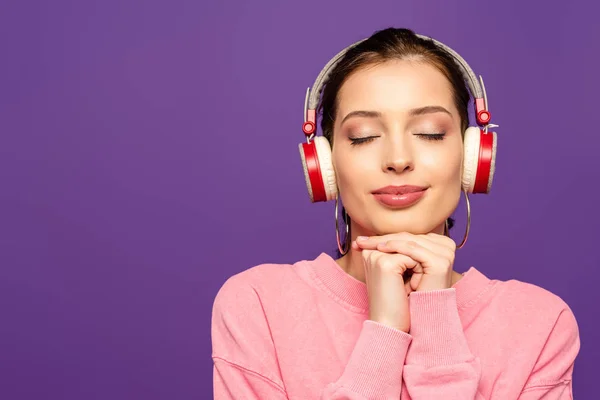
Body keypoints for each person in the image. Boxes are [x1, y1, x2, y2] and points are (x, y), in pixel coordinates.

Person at [211, 27, 580, 399]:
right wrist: (385, 330)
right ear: (325, 164)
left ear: (472, 156)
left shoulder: (540, 324)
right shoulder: (257, 305)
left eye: (431, 133)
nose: (398, 160)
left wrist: (434, 317)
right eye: (364, 136)